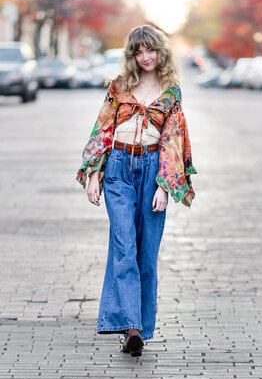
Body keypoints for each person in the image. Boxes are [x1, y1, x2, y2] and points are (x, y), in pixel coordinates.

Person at [76, 25, 196, 357]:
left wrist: (164, 185)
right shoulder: (119, 87)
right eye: (138, 52)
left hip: (152, 169)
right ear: (131, 55)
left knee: (146, 256)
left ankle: (140, 324)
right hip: (118, 170)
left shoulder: (172, 92)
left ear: (161, 52)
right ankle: (131, 329)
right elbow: (103, 129)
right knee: (124, 244)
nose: (144, 57)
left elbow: (174, 141)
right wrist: (92, 174)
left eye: (150, 50)